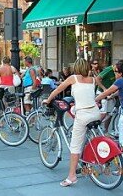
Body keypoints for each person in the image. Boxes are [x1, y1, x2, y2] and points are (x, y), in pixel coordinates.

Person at [43, 58, 101, 187]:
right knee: (85, 130)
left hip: (83, 115)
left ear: (76, 67)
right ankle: (87, 157)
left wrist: (48, 100)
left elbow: (57, 91)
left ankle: (71, 176)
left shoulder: (73, 78)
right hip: (95, 112)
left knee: (75, 146)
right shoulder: (92, 79)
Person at [95, 61, 123, 174]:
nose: (114, 73)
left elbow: (105, 93)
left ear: (120, 73)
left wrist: (94, 100)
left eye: (115, 71)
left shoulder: (119, 81)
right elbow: (122, 90)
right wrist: (113, 96)